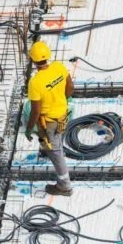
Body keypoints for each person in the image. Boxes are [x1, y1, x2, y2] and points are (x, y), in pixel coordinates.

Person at [24, 41, 74, 196]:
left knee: (56, 153)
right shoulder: (58, 66)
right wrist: (61, 100)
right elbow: (70, 87)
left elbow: (36, 111)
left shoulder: (35, 82)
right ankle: (47, 149)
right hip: (63, 114)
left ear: (33, 60)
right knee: (52, 143)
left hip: (49, 122)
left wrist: (28, 128)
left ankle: (64, 186)